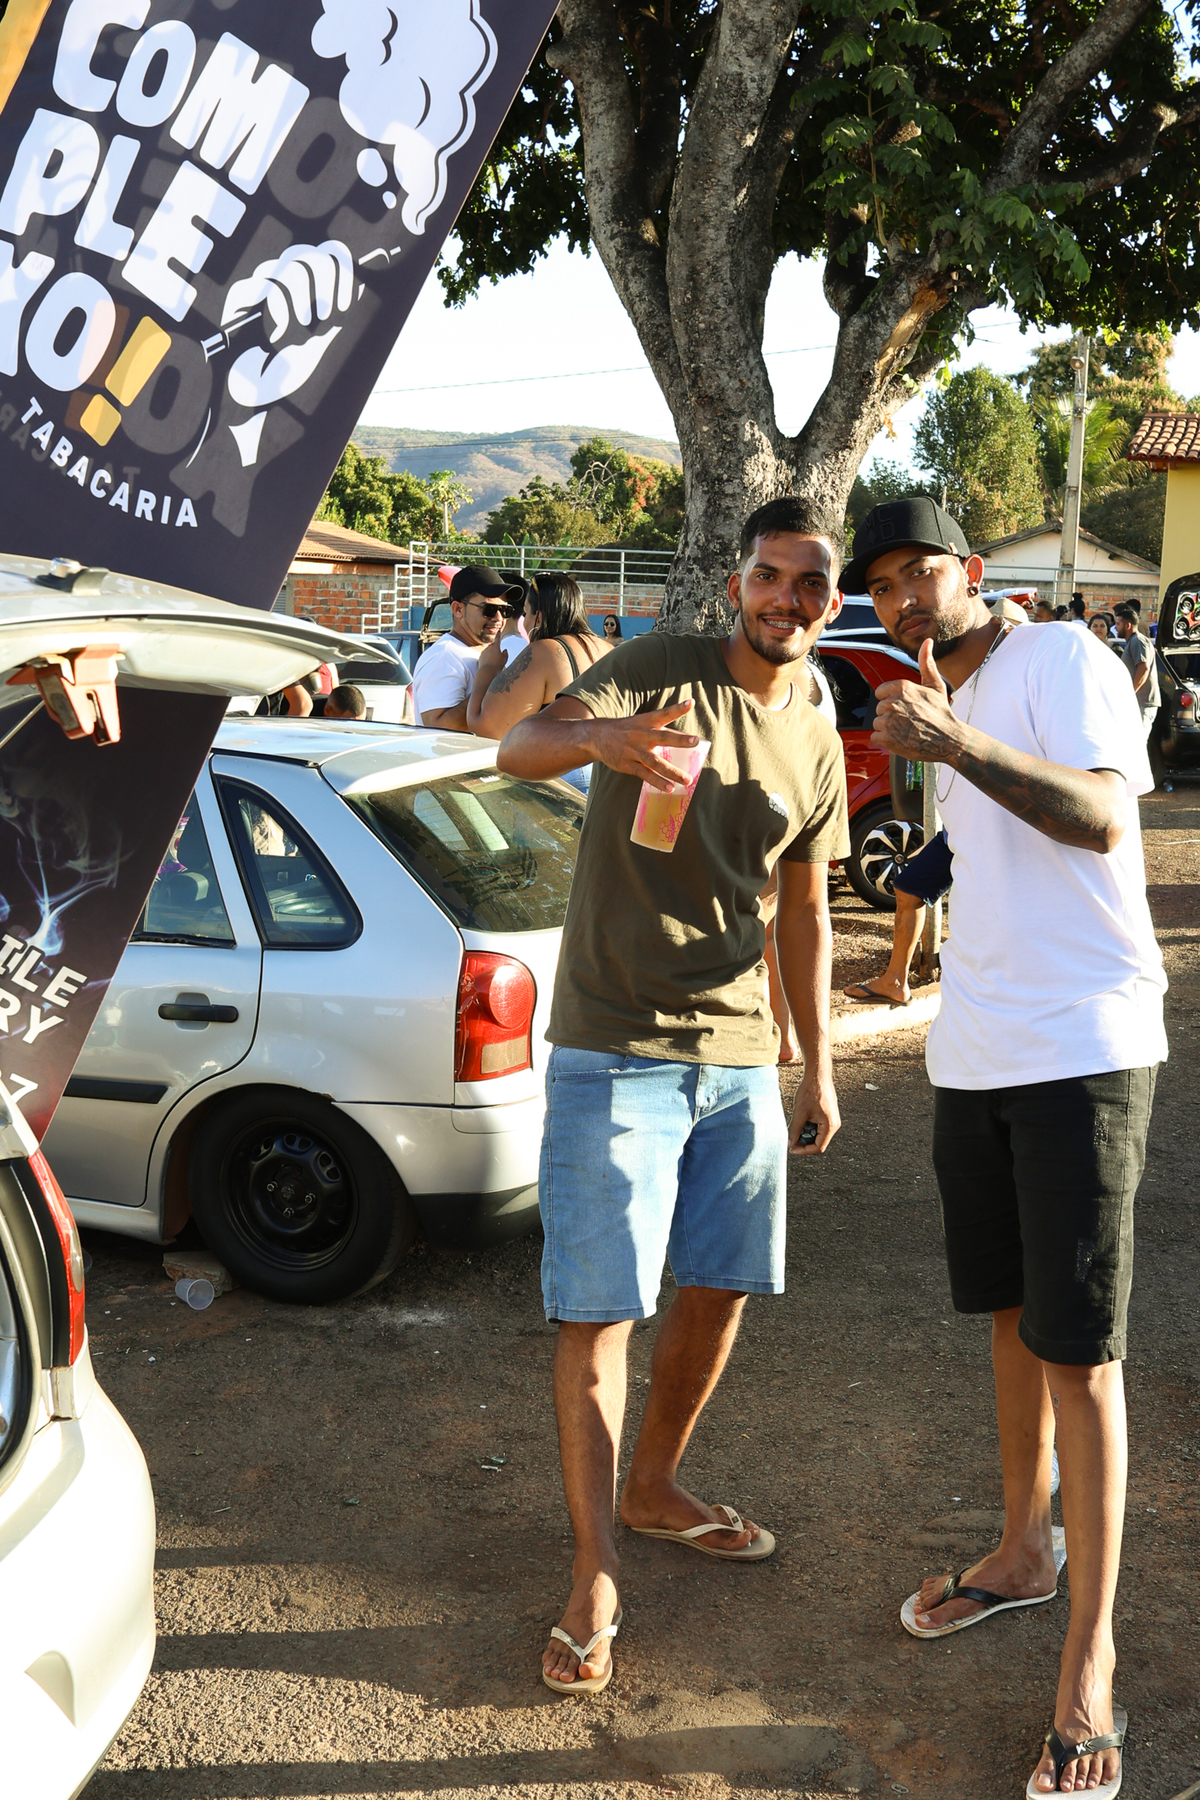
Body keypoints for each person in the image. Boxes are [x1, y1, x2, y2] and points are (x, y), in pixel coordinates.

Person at [496, 495, 851, 1697]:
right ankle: (594, 1567)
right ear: (740, 582)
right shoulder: (662, 671)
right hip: (614, 1043)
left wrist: (817, 1062)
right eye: (771, 576)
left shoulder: (816, 730)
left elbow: (805, 913)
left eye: (810, 583)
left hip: (740, 1054)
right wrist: (600, 739)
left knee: (720, 1286)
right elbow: (516, 747)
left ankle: (652, 1487)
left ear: (830, 602)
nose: (786, 598)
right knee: (599, 1311)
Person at [843, 495, 1165, 1800]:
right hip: (974, 1049)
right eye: (882, 584)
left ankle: (1091, 1666)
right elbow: (986, 841)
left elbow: (1100, 820)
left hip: (1081, 1045)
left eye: (920, 573)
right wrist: (914, 871)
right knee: (1011, 1319)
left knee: (1080, 1351)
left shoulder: (1060, 658)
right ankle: (1026, 1549)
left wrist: (955, 742)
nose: (902, 599)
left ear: (971, 571)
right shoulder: (944, 695)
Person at [467, 573, 613, 793]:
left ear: (539, 616)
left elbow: (485, 726)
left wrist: (487, 669)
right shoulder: (606, 648)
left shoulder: (544, 651)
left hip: (562, 775)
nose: (524, 622)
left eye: (526, 613)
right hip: (608, 773)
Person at [410, 566, 521, 730]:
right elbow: (438, 727)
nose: (499, 618)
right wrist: (489, 676)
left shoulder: (487, 655)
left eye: (505, 610)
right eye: (489, 609)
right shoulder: (444, 657)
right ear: (458, 609)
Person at [1114, 604, 1160, 739]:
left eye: (1118, 624)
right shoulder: (1133, 641)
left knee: (1139, 740)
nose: (1115, 627)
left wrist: (1131, 693)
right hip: (1138, 702)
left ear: (1128, 625)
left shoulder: (1137, 641)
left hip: (1143, 702)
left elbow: (1143, 668)